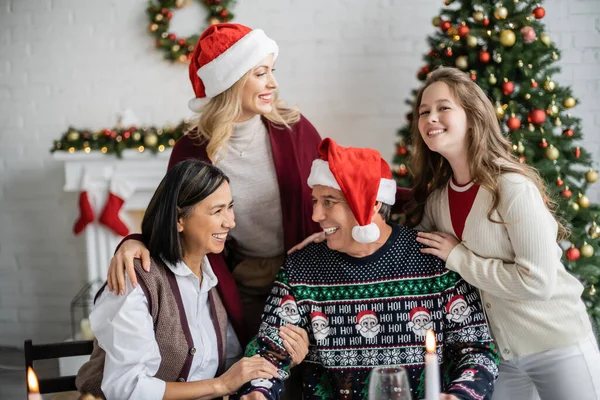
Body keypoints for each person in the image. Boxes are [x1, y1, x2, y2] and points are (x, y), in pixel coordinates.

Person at [235, 138, 499, 400]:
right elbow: (271, 347)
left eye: (329, 201)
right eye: (315, 201)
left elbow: (477, 350)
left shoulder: (433, 261)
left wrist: (461, 396)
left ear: (370, 204)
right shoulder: (302, 267)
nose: (315, 216)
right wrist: (258, 390)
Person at [410, 67, 600, 400]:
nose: (430, 117)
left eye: (443, 107)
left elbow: (537, 282)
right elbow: (409, 246)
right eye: (424, 111)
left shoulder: (512, 188)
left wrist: (460, 258)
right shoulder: (439, 200)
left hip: (558, 344)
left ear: (472, 116)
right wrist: (334, 233)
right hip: (502, 356)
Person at [76, 160, 282, 399]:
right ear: (178, 219)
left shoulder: (216, 276)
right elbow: (127, 388)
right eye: (217, 211)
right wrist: (221, 385)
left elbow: (233, 361)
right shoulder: (136, 279)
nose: (230, 222)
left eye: (230, 207)